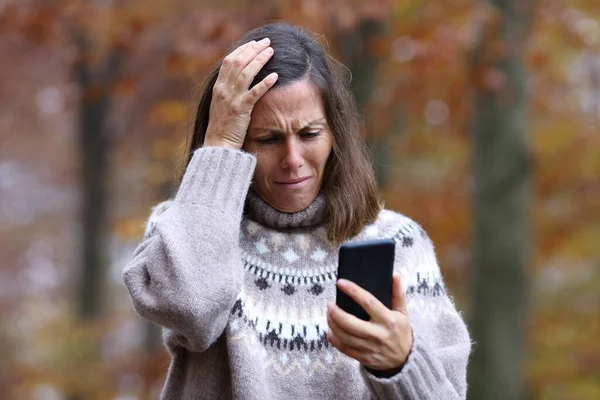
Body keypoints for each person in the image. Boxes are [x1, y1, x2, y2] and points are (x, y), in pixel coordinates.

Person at [123, 22, 472, 399]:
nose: (293, 160)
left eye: (309, 134)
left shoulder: (398, 244)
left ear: (335, 132)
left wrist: (402, 365)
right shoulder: (186, 228)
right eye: (268, 139)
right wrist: (220, 139)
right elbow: (187, 309)